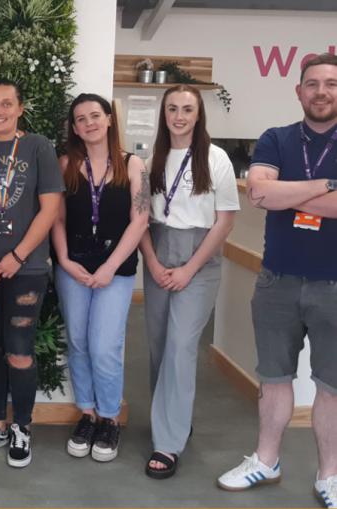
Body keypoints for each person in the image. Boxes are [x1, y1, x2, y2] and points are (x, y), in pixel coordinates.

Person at [217, 53, 337, 507]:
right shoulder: (276, 138)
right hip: (277, 282)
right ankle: (266, 460)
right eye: (313, 83)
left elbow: (277, 192)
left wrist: (292, 191)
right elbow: (262, 193)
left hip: (334, 285)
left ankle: (330, 475)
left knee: (331, 386)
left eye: (331, 83)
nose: (322, 91)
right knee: (273, 378)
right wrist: (328, 185)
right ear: (299, 90)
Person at [0, 78, 64, 468]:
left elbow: (49, 210)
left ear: (20, 107)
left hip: (27, 269)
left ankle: (22, 426)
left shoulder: (39, 147)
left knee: (19, 352)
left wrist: (17, 257)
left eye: (6, 104)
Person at [140, 84, 238, 479]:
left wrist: (189, 268)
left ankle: (168, 443)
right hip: (157, 254)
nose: (179, 116)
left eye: (187, 109)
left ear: (199, 116)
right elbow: (140, 218)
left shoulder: (216, 159)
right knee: (159, 344)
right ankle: (173, 419)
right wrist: (151, 259)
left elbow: (225, 221)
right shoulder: (151, 162)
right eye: (173, 109)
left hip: (199, 259)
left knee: (181, 347)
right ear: (164, 115)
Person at [50, 93, 149, 463]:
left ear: (109, 119)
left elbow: (140, 220)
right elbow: (57, 218)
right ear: (74, 127)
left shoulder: (133, 165)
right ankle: (87, 414)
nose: (89, 123)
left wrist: (109, 267)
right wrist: (62, 259)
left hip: (116, 272)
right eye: (81, 118)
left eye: (95, 115)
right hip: (73, 268)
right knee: (77, 341)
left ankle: (110, 418)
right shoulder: (66, 164)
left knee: (105, 346)